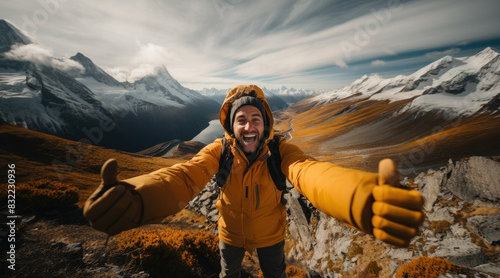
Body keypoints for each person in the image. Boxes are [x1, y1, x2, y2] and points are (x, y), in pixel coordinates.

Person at [83, 85, 424, 278]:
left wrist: (358, 198)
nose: (249, 127)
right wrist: (140, 196)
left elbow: (310, 173)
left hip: (270, 237)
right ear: (231, 126)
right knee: (229, 275)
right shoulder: (219, 151)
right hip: (229, 235)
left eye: (256, 119)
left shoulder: (280, 151)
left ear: (266, 124)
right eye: (241, 120)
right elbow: (185, 177)